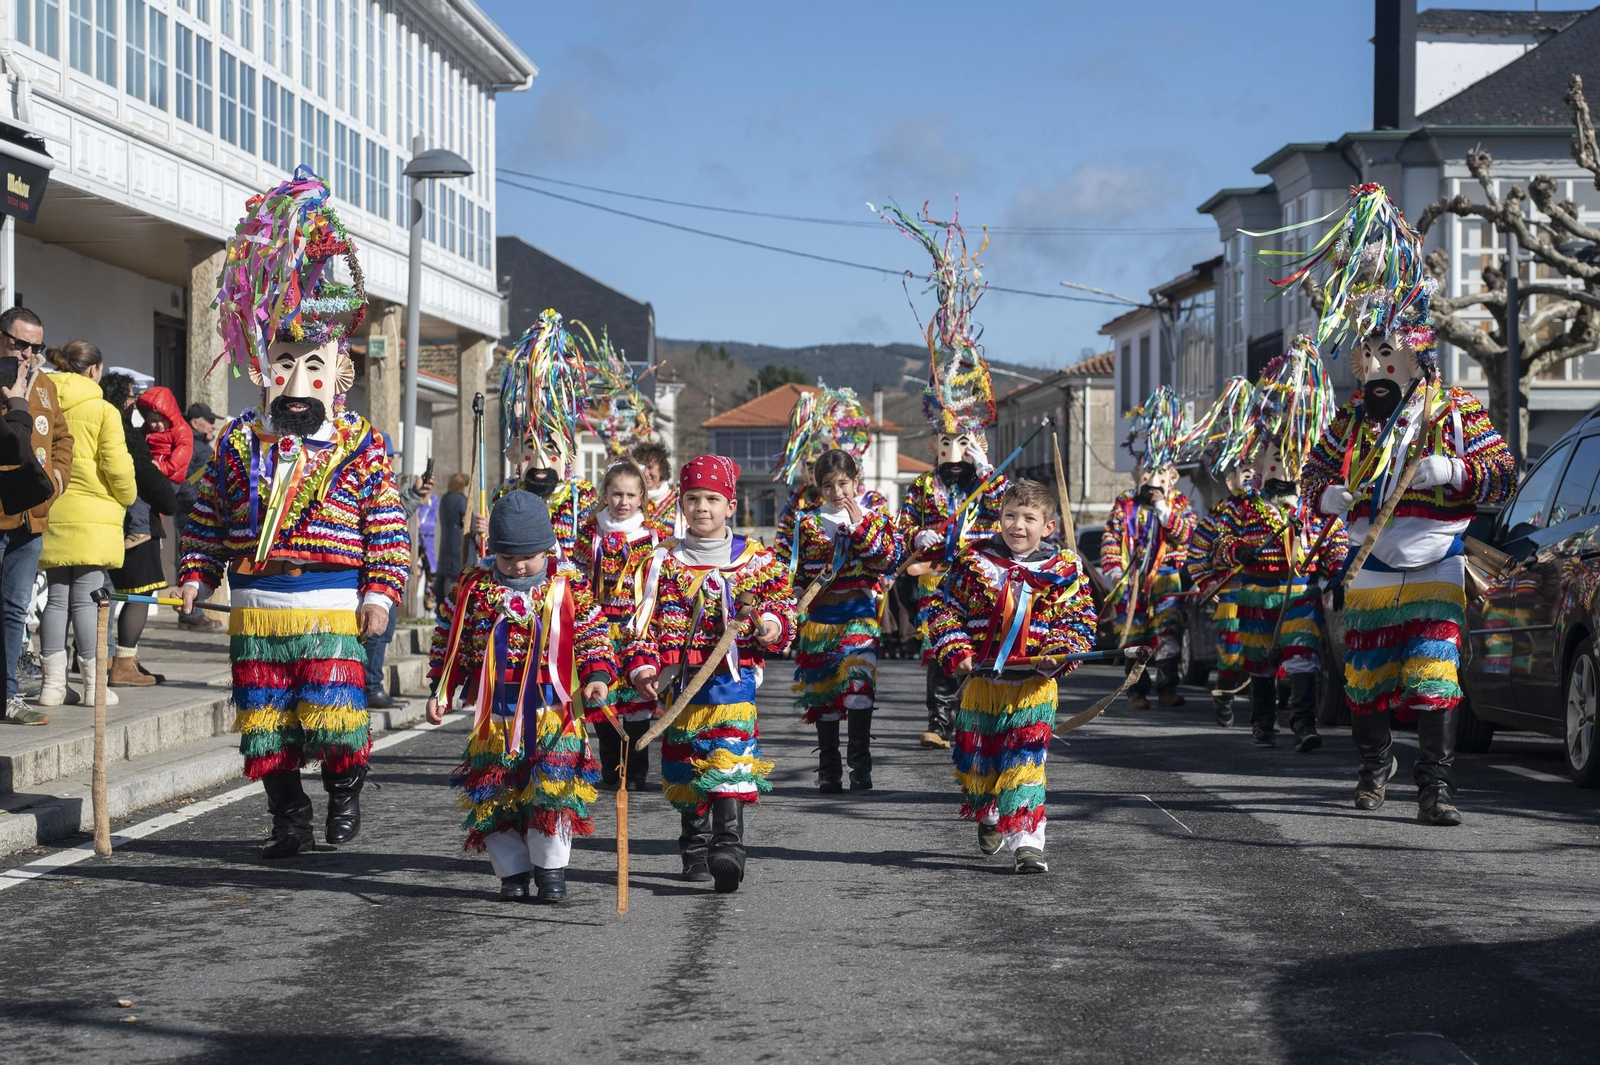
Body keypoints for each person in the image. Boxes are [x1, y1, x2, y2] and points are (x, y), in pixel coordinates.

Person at [180, 167, 409, 858]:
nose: (298, 382)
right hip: (256, 606)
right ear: (263, 369)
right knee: (265, 725)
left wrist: (379, 596)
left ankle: (346, 786)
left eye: (314, 367)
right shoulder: (238, 442)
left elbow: (388, 532)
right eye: (285, 365)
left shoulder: (359, 443)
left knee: (335, 718)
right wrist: (196, 573)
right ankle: (288, 817)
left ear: (338, 373)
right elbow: (207, 519)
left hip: (331, 605)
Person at [1294, 190, 1515, 826]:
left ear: (1416, 355)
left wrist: (1454, 470)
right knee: (1366, 679)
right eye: (1368, 358)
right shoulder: (1350, 420)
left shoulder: (1456, 411)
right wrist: (1327, 495)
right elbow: (1310, 477)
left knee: (1434, 677)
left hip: (1437, 562)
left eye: (1387, 356)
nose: (1375, 369)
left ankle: (1435, 788)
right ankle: (1373, 767)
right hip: (1369, 566)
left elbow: (1503, 477)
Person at [424, 491, 614, 903]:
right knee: (497, 792)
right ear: (493, 550)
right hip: (496, 714)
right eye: (508, 557)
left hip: (552, 708)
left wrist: (597, 675)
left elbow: (593, 635)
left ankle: (551, 871)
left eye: (528, 556)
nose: (518, 566)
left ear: (547, 548)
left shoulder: (568, 587)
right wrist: (442, 687)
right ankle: (512, 873)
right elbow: (450, 641)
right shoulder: (473, 589)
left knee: (552, 789)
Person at [630, 455, 796, 893]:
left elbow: (781, 608)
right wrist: (644, 665)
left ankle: (729, 847)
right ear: (681, 505)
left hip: (731, 681)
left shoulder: (756, 560)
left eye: (712, 499)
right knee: (686, 764)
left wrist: (770, 624)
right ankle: (695, 848)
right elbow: (642, 625)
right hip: (681, 682)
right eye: (692, 499)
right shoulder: (661, 562)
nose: (701, 507)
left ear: (730, 505)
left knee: (730, 757)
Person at [880, 204, 1009, 752]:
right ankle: (940, 720)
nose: (954, 453)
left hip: (983, 574)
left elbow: (1011, 514)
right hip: (937, 577)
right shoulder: (924, 488)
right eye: (946, 444)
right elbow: (904, 529)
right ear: (934, 445)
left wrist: (987, 472)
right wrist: (920, 535)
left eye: (963, 444)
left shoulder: (988, 483)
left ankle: (978, 717)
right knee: (941, 646)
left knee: (982, 646)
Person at [925, 479, 1097, 874]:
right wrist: (957, 649)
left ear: (1048, 527)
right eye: (1010, 516)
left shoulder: (1064, 570)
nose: (1017, 525)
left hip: (1032, 689)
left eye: (1029, 519)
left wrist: (1059, 651)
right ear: (999, 518)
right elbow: (943, 610)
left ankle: (1028, 844)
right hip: (984, 686)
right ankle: (988, 814)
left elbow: (1079, 620)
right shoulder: (973, 562)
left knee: (1025, 765)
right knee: (981, 765)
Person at [1204, 342, 1347, 751]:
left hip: (1299, 591)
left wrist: (1337, 572)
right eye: (1273, 456)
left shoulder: (1311, 505)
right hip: (1256, 591)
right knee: (1261, 661)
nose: (1281, 466)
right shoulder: (1245, 506)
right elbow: (1220, 542)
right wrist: (1238, 552)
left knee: (1302, 655)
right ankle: (1263, 725)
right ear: (1261, 462)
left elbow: (1334, 539)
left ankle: (1303, 724)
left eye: (1290, 459)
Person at [789, 448, 901, 792]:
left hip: (858, 615)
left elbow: (885, 562)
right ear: (818, 487)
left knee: (857, 689)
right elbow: (792, 569)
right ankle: (829, 769)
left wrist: (859, 528)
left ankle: (860, 766)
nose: (836, 492)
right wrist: (795, 593)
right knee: (823, 695)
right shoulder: (805, 522)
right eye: (828, 486)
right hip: (819, 619)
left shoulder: (875, 518)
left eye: (842, 484)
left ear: (855, 481)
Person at [37, 341, 136, 709]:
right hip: (95, 516)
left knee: (55, 598)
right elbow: (117, 467)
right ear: (94, 370)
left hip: (52, 508)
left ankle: (52, 686)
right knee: (88, 600)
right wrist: (128, 496)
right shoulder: (103, 410)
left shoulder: (45, 403)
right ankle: (95, 686)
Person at [571, 459, 670, 791]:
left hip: (637, 628)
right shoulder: (590, 535)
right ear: (605, 495)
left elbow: (663, 584)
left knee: (638, 699)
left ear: (642, 496)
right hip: (598, 628)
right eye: (616, 494)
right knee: (603, 698)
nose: (623, 502)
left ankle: (637, 767)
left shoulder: (654, 538)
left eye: (630, 495)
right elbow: (578, 579)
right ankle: (611, 765)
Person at [1101, 387, 1197, 710]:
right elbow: (1111, 537)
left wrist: (1163, 510)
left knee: (1168, 632)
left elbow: (1186, 535)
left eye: (1159, 474)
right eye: (1147, 472)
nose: (1152, 481)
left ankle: (1167, 687)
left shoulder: (1179, 504)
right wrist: (1115, 572)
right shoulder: (1125, 503)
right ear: (1137, 474)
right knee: (1135, 636)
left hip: (1167, 578)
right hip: (1133, 581)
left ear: (1171, 478)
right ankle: (1136, 691)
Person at [0, 306, 73, 724]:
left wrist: (56, 483)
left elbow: (62, 438)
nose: (28, 353)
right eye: (19, 343)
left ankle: (8, 696)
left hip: (31, 518)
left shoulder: (44, 384)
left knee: (15, 610)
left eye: (35, 346)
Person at [101, 374, 179, 687]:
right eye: (132, 396)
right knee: (141, 594)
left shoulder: (101, 423)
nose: (135, 402)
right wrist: (168, 499)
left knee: (107, 593)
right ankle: (123, 664)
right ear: (122, 398)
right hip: (136, 526)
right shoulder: (122, 428)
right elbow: (144, 473)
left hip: (110, 520)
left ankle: (118, 658)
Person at [175, 402, 222, 631]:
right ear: (195, 422)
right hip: (192, 514)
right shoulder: (191, 445)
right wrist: (200, 503)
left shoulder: (202, 444)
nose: (213, 425)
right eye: (209, 421)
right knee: (194, 557)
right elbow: (183, 480)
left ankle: (194, 612)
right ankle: (191, 614)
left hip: (201, 512)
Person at [433, 472, 471, 609]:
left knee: (445, 583)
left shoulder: (445, 499)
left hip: (446, 546)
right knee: (456, 586)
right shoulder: (462, 501)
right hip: (460, 548)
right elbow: (470, 525)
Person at [630, 440, 680, 536]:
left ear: (662, 469)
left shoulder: (677, 501)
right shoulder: (629, 501)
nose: (645, 473)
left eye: (650, 467)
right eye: (641, 468)